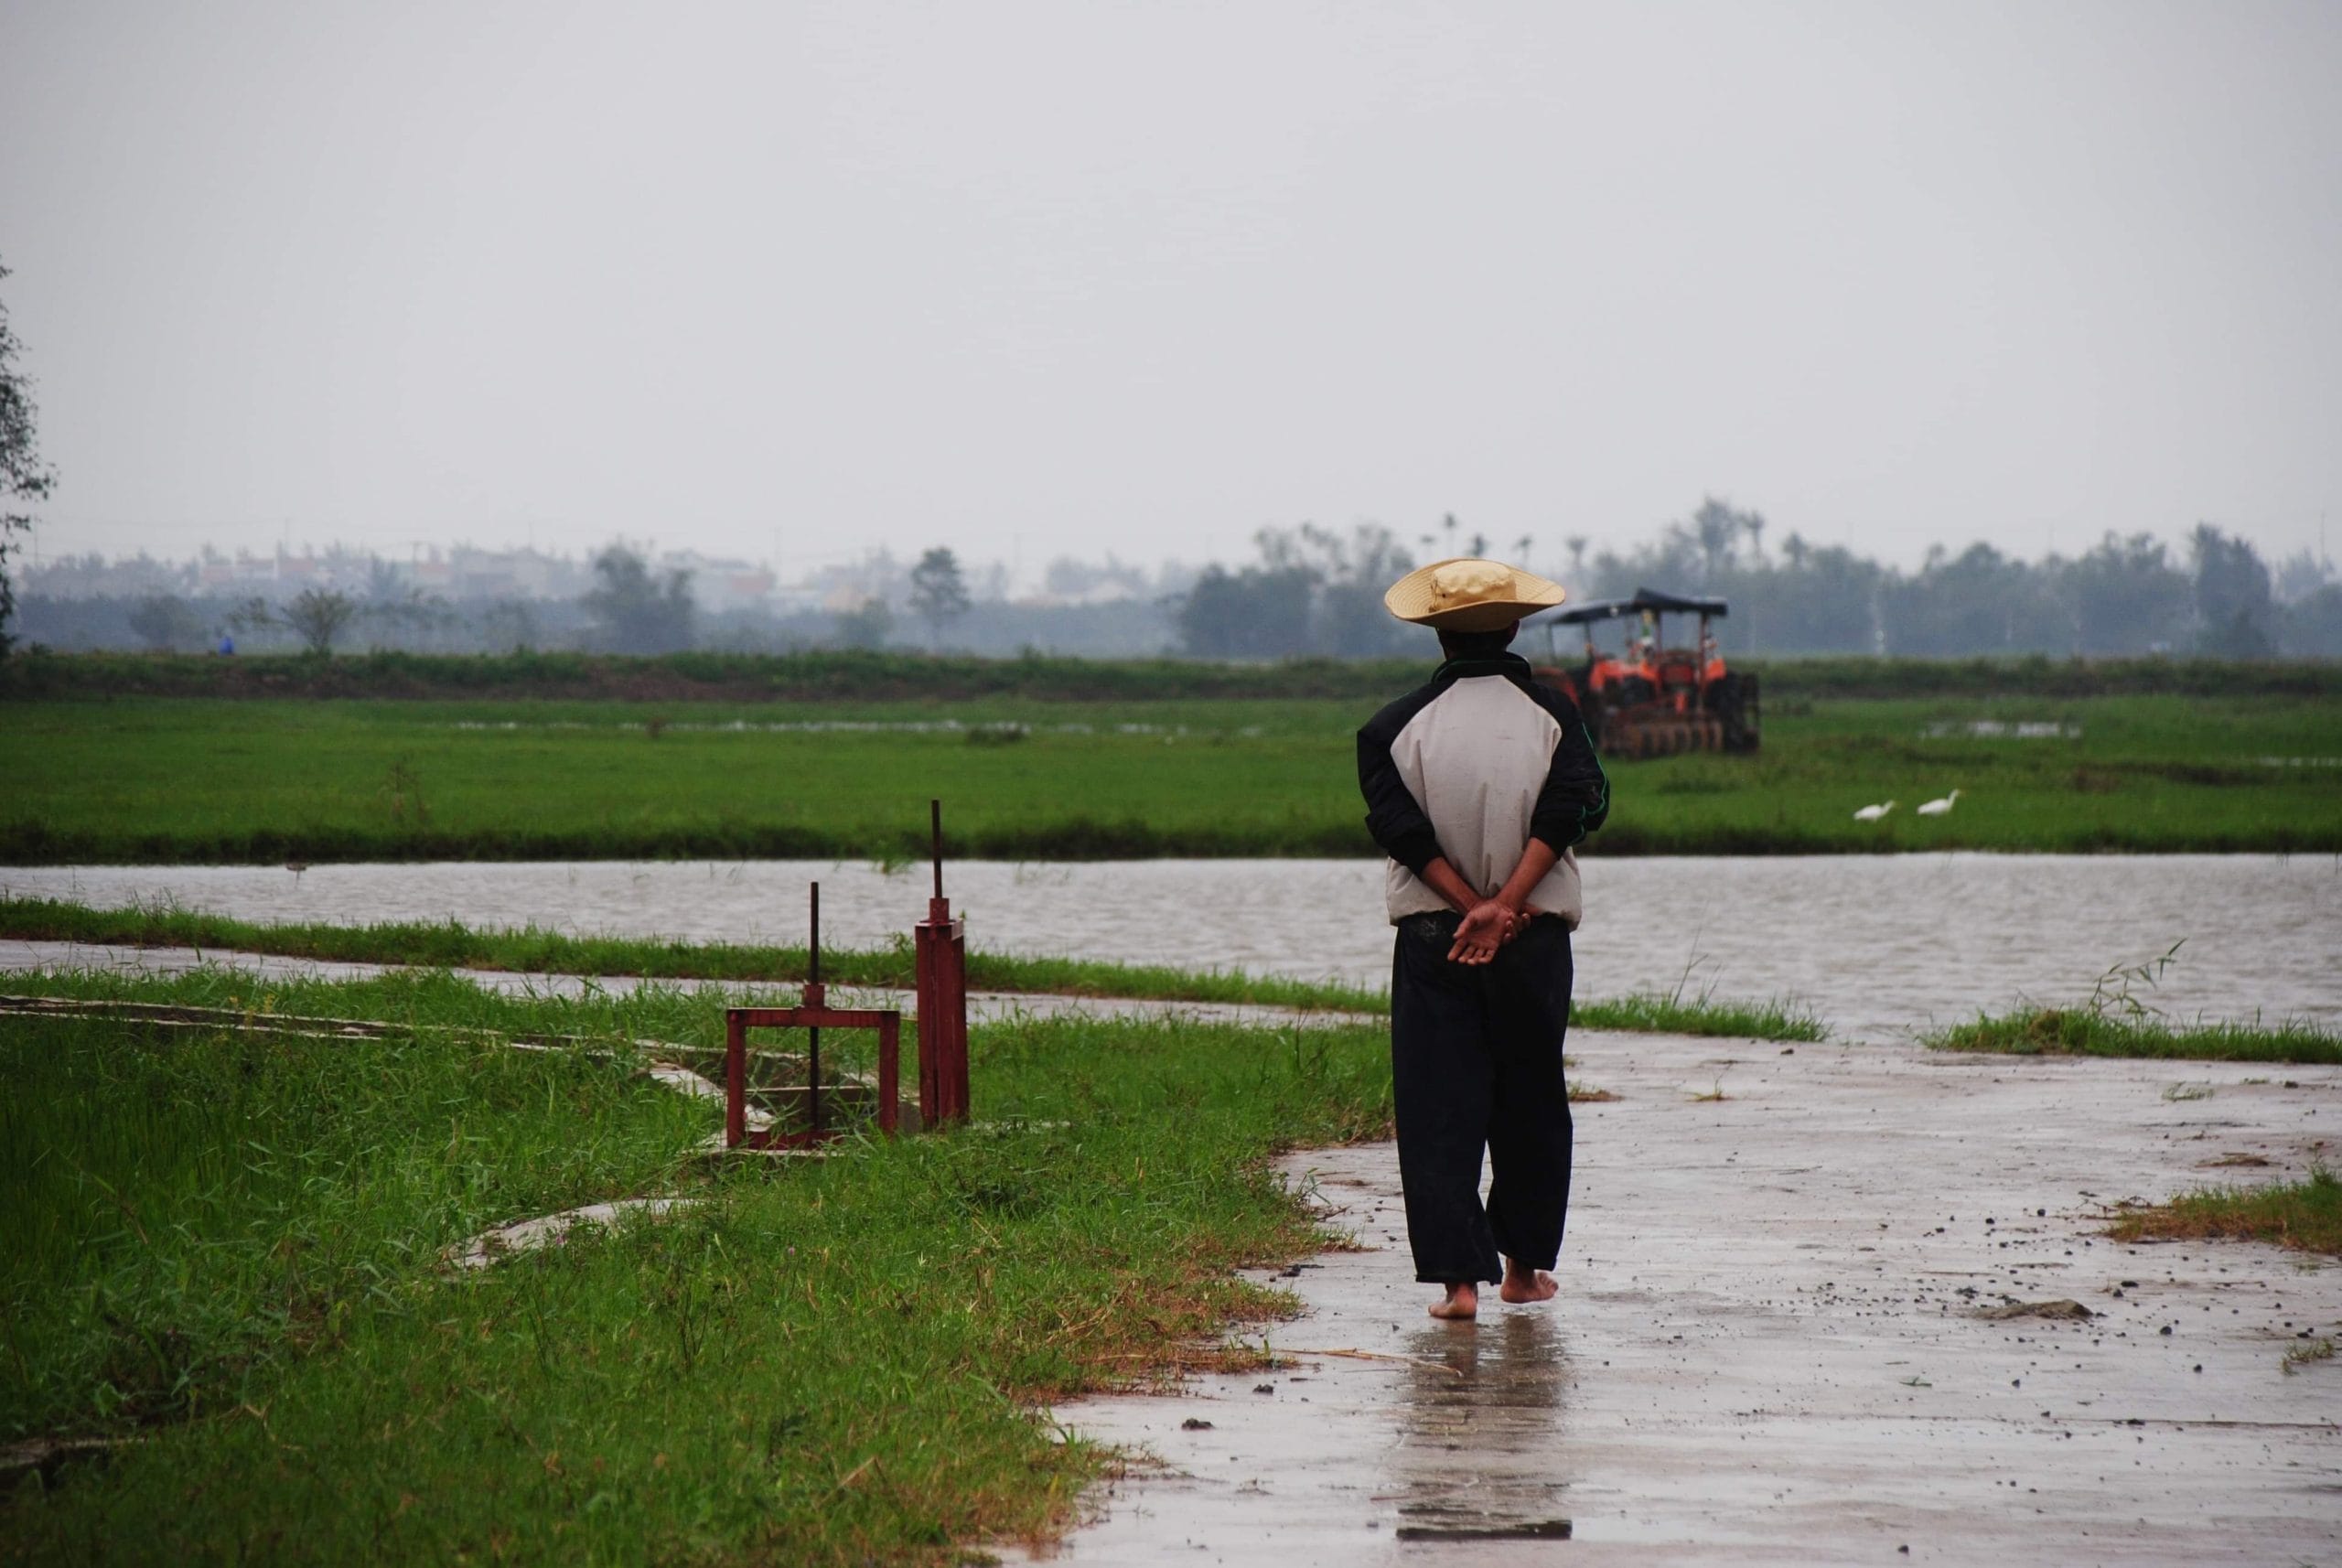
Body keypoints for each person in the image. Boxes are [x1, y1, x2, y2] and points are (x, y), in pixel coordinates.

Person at [1357, 557, 1609, 1321]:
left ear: (1437, 635)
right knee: (1531, 1097)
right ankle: (1522, 1271)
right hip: (1531, 937)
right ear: (1514, 626)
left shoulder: (1389, 729)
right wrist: (1506, 907)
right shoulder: (1556, 714)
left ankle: (1458, 1286)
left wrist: (1473, 906)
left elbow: (1400, 832)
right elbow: (1576, 809)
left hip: (1437, 939)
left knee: (1440, 1105)